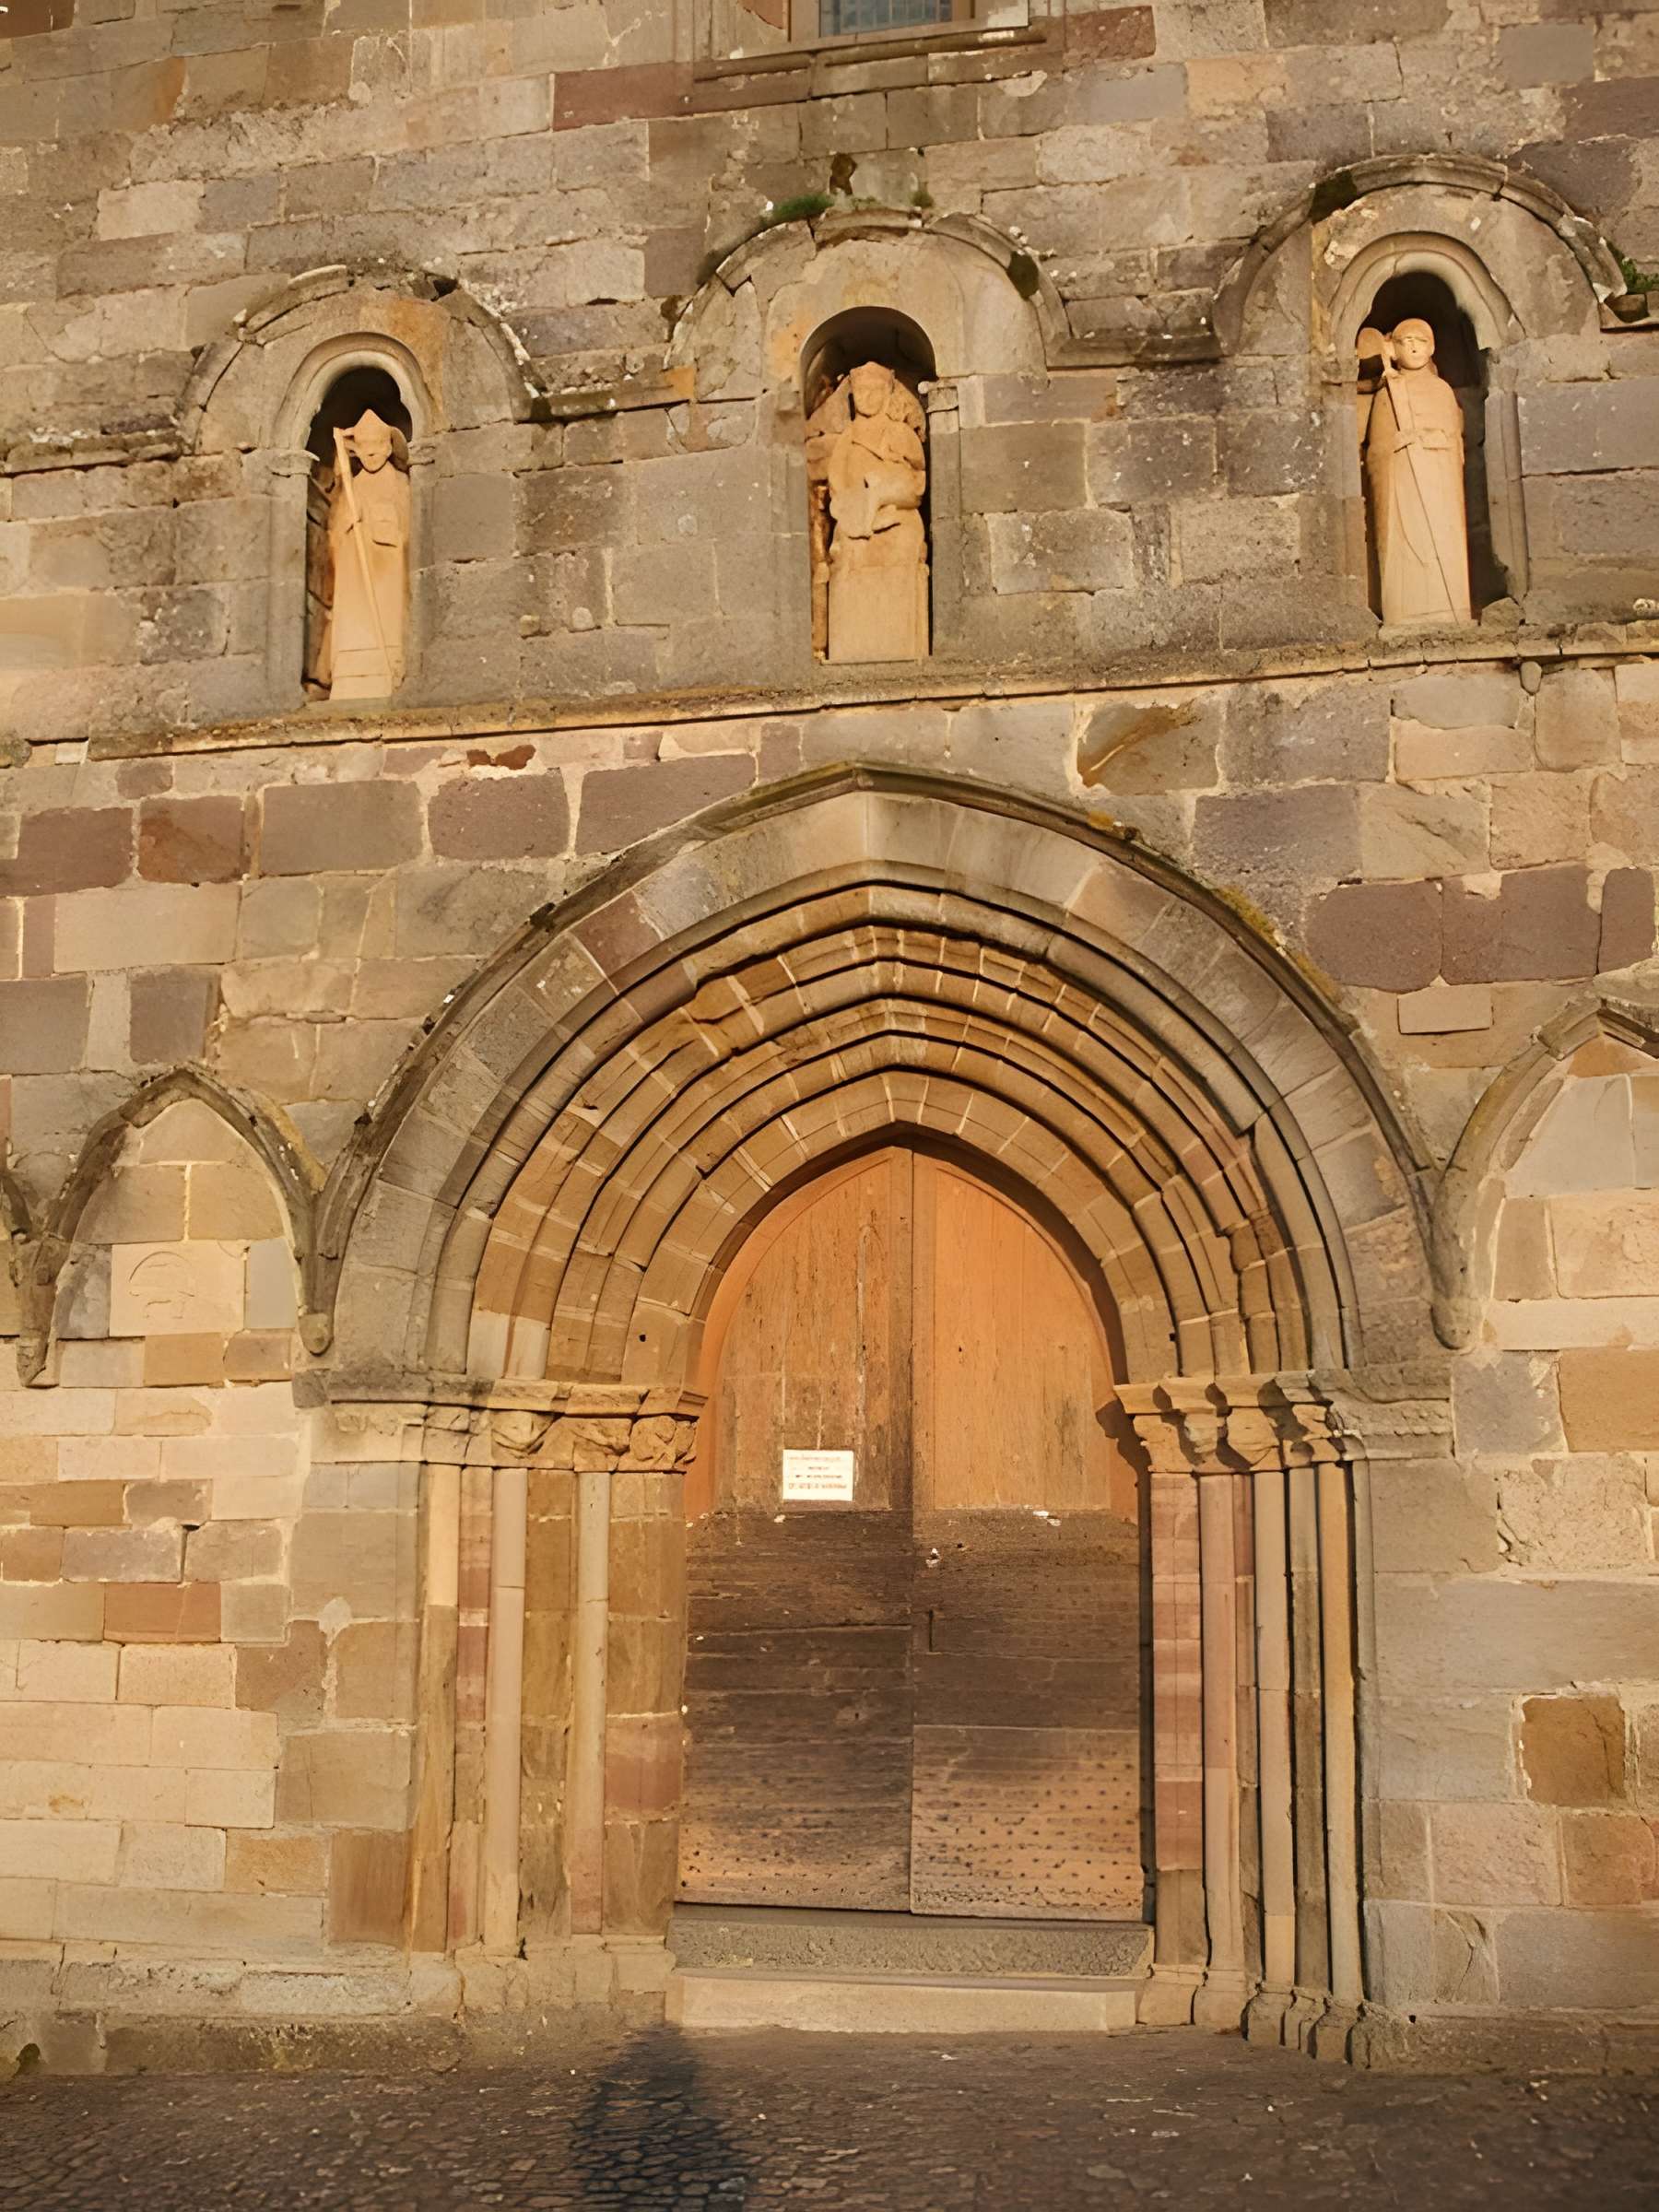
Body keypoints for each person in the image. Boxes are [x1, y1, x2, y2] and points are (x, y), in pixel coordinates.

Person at [1358, 317, 1473, 629]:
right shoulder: (1388, 394)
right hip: (1402, 486)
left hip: (1438, 484)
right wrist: (1398, 445)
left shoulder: (1442, 391)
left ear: (1431, 347)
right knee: (1404, 543)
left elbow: (1455, 441)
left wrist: (1432, 442)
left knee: (1443, 541)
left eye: (1420, 341)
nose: (1413, 347)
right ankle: (1402, 611)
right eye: (1405, 341)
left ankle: (1450, 608)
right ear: (1393, 349)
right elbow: (1375, 453)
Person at [815, 360, 929, 663]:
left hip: (897, 516)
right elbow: (837, 483)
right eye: (861, 391)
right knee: (845, 551)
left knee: (904, 543)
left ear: (886, 393)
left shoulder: (901, 434)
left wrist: (884, 494)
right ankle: (851, 649)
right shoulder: (847, 439)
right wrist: (859, 506)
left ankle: (902, 645)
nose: (867, 397)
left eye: (874, 390)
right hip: (855, 519)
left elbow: (917, 482)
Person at [318, 407, 411, 700]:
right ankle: (349, 677)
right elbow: (335, 537)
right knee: (352, 628)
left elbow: (410, 530)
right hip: (355, 577)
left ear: (388, 446)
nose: (371, 452)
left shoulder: (401, 484)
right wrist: (349, 519)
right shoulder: (352, 487)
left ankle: (390, 673)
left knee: (390, 619)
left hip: (388, 574)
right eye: (365, 446)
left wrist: (381, 521)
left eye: (377, 445)